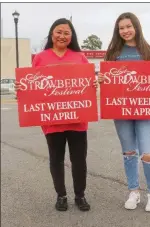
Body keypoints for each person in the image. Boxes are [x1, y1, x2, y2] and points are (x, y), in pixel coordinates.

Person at [98, 12, 150, 212]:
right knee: (128, 153)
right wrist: (102, 80)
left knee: (147, 154)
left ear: (136, 27)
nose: (125, 31)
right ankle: (134, 191)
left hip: (147, 109)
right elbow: (108, 82)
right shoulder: (113, 54)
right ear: (117, 31)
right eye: (121, 28)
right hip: (122, 110)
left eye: (128, 26)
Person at [15, 18, 98, 212]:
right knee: (56, 159)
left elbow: (88, 85)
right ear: (52, 33)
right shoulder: (40, 58)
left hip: (78, 120)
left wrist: (94, 84)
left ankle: (80, 195)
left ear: (72, 36)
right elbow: (32, 86)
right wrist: (21, 87)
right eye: (58, 31)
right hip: (52, 122)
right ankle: (61, 196)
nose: (62, 36)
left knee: (79, 160)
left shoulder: (79, 57)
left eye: (66, 33)